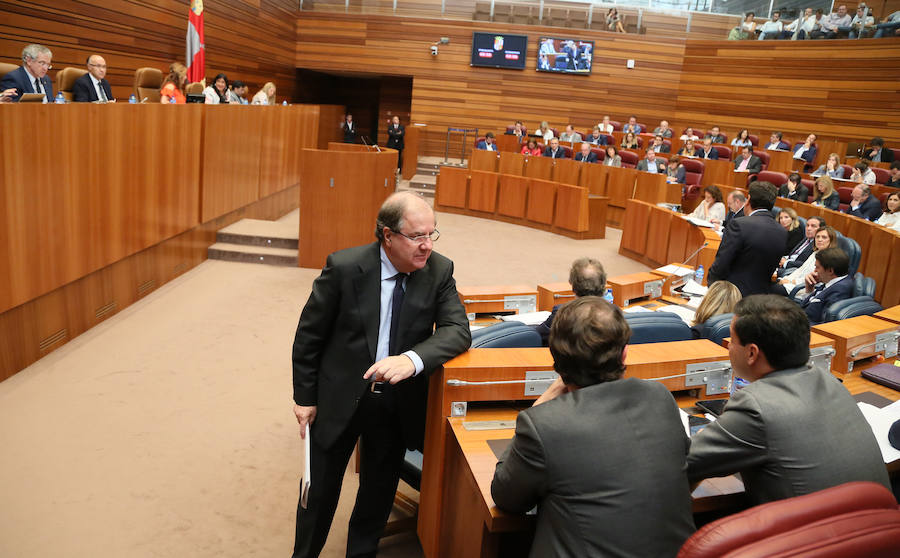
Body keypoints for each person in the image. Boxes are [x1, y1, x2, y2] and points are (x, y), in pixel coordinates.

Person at [290, 192, 471, 558]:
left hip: (395, 402)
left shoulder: (439, 270)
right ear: (387, 236)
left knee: (378, 492)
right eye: (417, 236)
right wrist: (305, 397)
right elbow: (310, 336)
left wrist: (412, 358)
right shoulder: (344, 268)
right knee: (320, 491)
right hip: (339, 397)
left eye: (431, 235)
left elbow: (457, 330)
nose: (426, 246)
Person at [493, 297, 696, 557]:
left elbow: (506, 497)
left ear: (555, 359)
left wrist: (536, 408)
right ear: (625, 353)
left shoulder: (544, 423)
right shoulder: (660, 397)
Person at [687, 295, 889, 504]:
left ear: (751, 353)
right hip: (879, 529)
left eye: (732, 340)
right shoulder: (830, 381)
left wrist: (707, 438)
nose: (728, 347)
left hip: (815, 535)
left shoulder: (755, 406)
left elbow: (684, 463)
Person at [709, 182, 785, 296]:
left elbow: (721, 265)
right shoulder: (782, 231)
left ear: (748, 200)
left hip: (732, 295)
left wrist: (711, 289)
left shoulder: (739, 224)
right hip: (761, 298)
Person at [534, 258, 606, 345]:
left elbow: (536, 335)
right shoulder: (614, 314)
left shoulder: (562, 312)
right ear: (604, 282)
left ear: (571, 282)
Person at [775, 226, 837, 296]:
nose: (819, 240)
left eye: (824, 237)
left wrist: (791, 282)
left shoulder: (828, 258)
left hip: (803, 289)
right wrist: (786, 279)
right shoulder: (815, 253)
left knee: (769, 289)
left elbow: (813, 279)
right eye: (817, 237)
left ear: (831, 240)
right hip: (792, 283)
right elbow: (801, 270)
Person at [800, 247, 854, 324]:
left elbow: (824, 325)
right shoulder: (831, 281)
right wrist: (809, 289)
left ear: (830, 271)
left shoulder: (840, 290)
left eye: (817, 267)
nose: (814, 271)